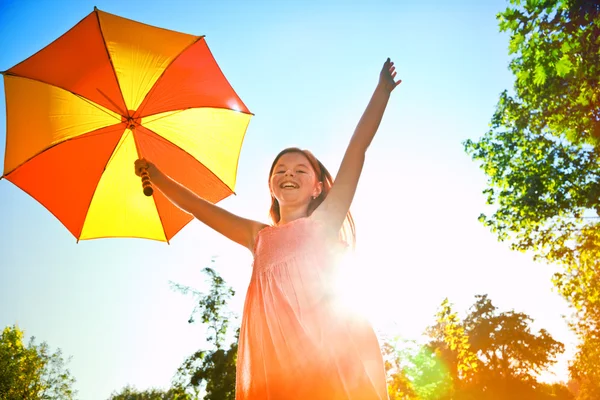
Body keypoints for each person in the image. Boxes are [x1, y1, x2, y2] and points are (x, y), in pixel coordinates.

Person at [135, 58, 400, 399]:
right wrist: (157, 178)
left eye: (300, 170)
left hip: (322, 354)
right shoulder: (257, 237)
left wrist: (381, 92)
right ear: (271, 184)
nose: (289, 174)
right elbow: (199, 208)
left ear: (317, 187)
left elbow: (357, 149)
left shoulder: (324, 222)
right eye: (281, 169)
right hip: (272, 364)